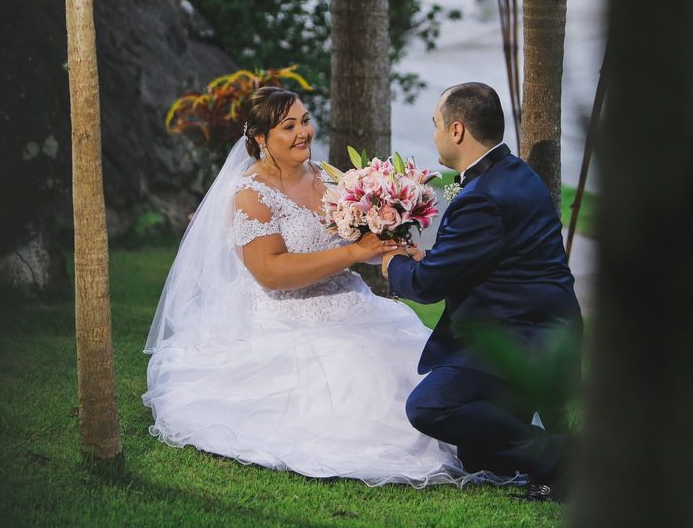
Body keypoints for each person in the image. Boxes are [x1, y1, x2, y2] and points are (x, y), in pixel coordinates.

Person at [141, 86, 529, 489]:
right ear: (260, 139)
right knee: (367, 386)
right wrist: (354, 254)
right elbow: (270, 272)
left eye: (305, 120)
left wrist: (390, 248)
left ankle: (500, 436)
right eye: (288, 126)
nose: (303, 132)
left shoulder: (328, 177)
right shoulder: (250, 195)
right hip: (290, 319)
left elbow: (357, 243)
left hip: (353, 303)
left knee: (420, 365)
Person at [382, 82, 583, 502]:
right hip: (541, 327)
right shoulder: (514, 173)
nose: (434, 133)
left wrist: (392, 265)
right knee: (479, 460)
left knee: (429, 407)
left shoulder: (482, 197)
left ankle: (561, 456)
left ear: (457, 130)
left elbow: (428, 287)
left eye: (436, 124)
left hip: (520, 338)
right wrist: (432, 259)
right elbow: (476, 259)